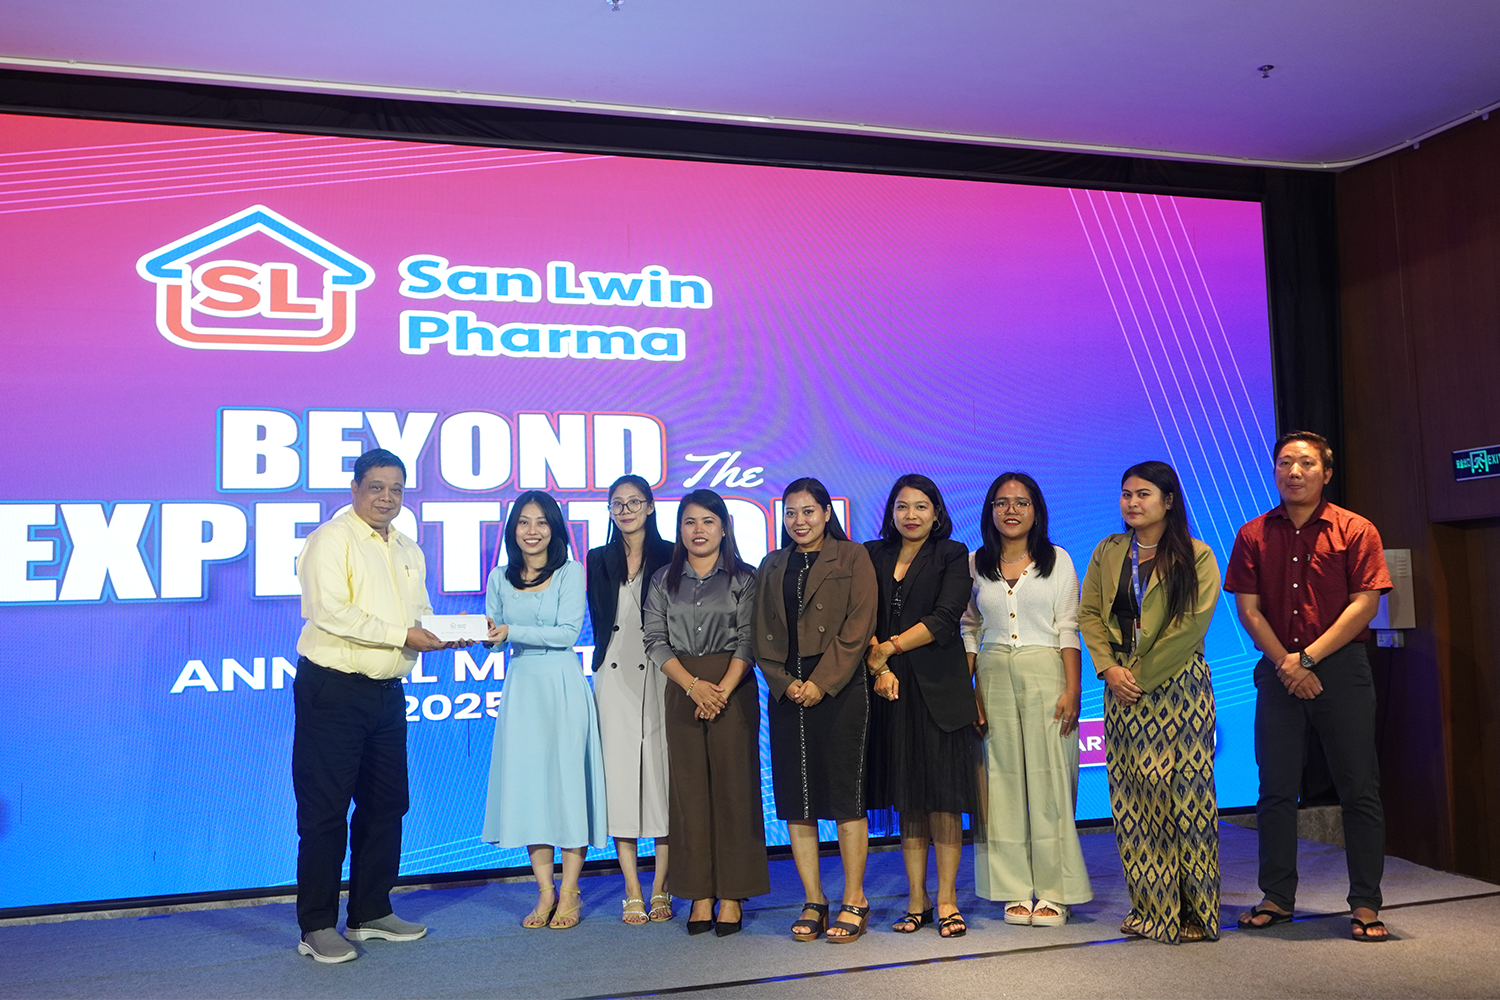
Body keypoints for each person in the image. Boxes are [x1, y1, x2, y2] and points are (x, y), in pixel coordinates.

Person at [1225, 431, 1394, 942]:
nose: (1293, 472)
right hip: (1279, 670)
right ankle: (1277, 897)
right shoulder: (1253, 533)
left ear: (1326, 472)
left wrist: (1309, 658)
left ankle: (1365, 903)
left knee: (1358, 788)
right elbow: (1249, 610)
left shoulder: (1356, 529)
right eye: (1284, 463)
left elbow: (1365, 604)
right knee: (1274, 790)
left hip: (1340, 669)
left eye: (1305, 463)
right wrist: (1287, 662)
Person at [292, 448, 457, 963]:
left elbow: (419, 613)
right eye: (377, 487)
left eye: (396, 489)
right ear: (355, 489)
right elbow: (330, 612)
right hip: (332, 690)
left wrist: (452, 633)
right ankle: (316, 925)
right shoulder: (331, 539)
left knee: (387, 803)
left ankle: (369, 911)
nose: (387, 498)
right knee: (325, 811)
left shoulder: (408, 547)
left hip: (386, 694)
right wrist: (402, 634)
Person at [1078, 460, 1222, 944]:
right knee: (1134, 802)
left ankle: (1195, 912)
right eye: (1126, 494)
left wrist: (1135, 677)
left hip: (1178, 688)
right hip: (1120, 686)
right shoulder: (1108, 550)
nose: (1133, 502)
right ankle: (1150, 907)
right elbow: (1089, 614)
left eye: (1143, 494)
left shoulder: (1197, 555)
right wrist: (1108, 669)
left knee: (1186, 801)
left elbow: (1190, 627)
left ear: (1168, 500)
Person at [961, 472, 1093, 927]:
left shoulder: (1057, 559)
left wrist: (1073, 688)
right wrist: (969, 691)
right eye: (1001, 502)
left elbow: (1069, 626)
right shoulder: (976, 563)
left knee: (1052, 779)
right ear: (990, 511)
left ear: (1036, 509)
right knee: (1000, 782)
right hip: (993, 672)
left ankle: (1056, 892)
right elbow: (970, 629)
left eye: (1021, 502)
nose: (1011, 510)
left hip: (1046, 670)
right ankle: (1013, 888)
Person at [754, 477, 879, 943]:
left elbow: (859, 625)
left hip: (840, 685)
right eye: (790, 513)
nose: (799, 521)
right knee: (796, 799)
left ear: (827, 513)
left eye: (808, 511)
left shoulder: (853, 556)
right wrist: (785, 683)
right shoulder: (772, 563)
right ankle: (814, 899)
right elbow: (759, 632)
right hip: (787, 688)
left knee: (845, 796)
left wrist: (821, 683)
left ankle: (854, 899)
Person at [643, 489, 768, 936]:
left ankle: (732, 893)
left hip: (733, 686)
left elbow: (749, 640)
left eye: (707, 521)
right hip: (682, 687)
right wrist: (694, 687)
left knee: (735, 789)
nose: (698, 530)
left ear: (724, 527)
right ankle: (699, 893)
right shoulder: (662, 580)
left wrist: (721, 691)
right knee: (689, 793)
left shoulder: (745, 578)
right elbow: (654, 640)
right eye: (689, 522)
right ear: (679, 529)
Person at [481, 491, 607, 930]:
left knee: (567, 785)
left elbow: (567, 633)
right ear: (512, 529)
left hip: (561, 683)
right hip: (522, 687)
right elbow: (494, 636)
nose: (531, 531)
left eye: (541, 522)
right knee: (530, 789)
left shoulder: (570, 571)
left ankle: (570, 891)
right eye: (523, 522)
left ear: (554, 529)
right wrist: (481, 634)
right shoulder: (499, 576)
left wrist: (509, 629)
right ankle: (545, 891)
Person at [863, 474, 981, 938]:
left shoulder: (951, 554)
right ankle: (918, 900)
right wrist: (879, 667)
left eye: (921, 506)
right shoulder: (872, 554)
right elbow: (862, 615)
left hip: (939, 687)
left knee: (944, 800)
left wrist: (888, 649)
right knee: (909, 800)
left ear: (936, 513)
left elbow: (946, 617)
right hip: (890, 687)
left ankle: (948, 899)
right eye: (902, 506)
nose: (910, 515)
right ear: (891, 512)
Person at [585, 474, 676, 925]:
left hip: (662, 670)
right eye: (617, 503)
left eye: (634, 502)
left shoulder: (671, 554)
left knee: (661, 778)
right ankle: (631, 888)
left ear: (650, 506)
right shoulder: (596, 558)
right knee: (619, 780)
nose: (626, 510)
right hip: (613, 674)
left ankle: (661, 887)